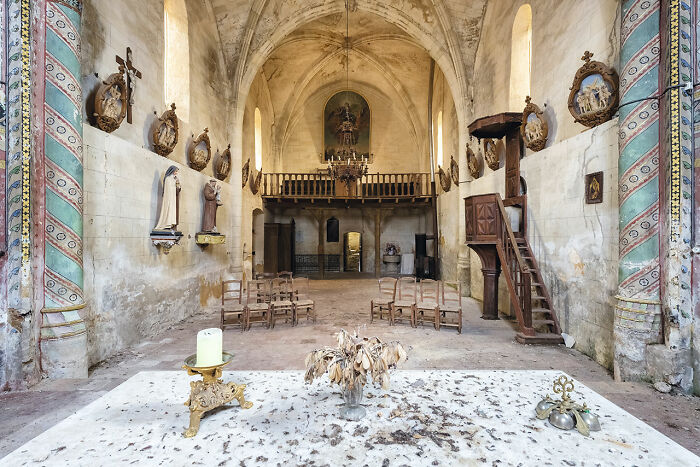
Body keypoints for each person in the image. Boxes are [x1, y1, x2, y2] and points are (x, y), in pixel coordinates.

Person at [153, 166, 181, 231]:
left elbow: (177, 188)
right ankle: (166, 223)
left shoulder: (173, 179)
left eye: (177, 171)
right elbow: (168, 189)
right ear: (172, 171)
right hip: (169, 198)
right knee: (168, 210)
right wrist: (175, 186)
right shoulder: (168, 179)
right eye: (176, 171)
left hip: (173, 199)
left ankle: (169, 224)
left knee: (172, 211)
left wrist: (178, 185)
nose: (176, 173)